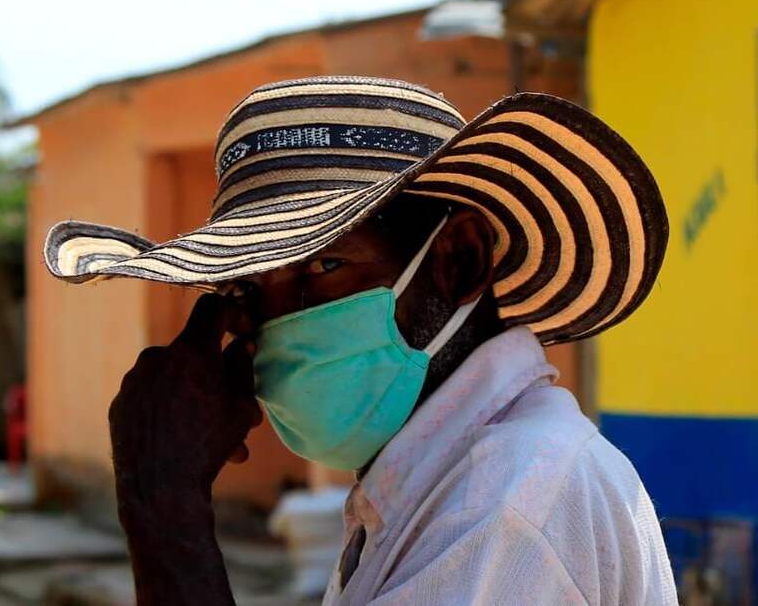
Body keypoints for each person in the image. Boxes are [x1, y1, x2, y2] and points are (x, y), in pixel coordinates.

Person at [44, 76, 677, 605]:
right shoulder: (436, 484)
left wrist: (163, 501)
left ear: (459, 260)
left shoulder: (504, 504)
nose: (280, 321)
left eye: (323, 268)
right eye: (250, 288)